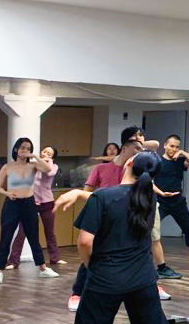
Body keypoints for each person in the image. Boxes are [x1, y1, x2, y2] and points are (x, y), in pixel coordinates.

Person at [34, 151, 189, 324]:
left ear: (129, 164)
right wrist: (80, 195)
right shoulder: (149, 198)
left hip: (106, 279)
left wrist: (91, 265)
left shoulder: (103, 198)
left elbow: (85, 241)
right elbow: (119, 196)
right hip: (142, 279)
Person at [56, 127, 169, 311]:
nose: (140, 152)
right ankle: (77, 293)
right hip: (107, 217)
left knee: (141, 251)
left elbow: (152, 148)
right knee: (97, 252)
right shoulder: (102, 169)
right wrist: (78, 193)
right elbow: (94, 196)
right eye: (136, 148)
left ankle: (151, 285)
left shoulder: (138, 172)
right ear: (125, 148)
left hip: (131, 217)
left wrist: (138, 144)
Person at [0, 138, 59, 285]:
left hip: (29, 203)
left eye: (28, 149)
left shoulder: (33, 166)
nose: (25, 151)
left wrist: (35, 156)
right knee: (6, 237)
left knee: (33, 236)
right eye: (22, 148)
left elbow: (48, 169)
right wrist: (8, 194)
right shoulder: (7, 167)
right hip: (12, 204)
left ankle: (42, 268)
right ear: (16, 149)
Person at [6, 145, 64, 268]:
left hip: (47, 202)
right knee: (22, 232)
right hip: (31, 202)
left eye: (49, 153)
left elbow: (49, 171)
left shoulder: (53, 166)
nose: (45, 153)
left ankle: (55, 258)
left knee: (49, 232)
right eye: (44, 151)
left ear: (53, 157)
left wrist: (46, 160)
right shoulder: (33, 165)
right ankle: (13, 261)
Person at [156, 135, 189, 257]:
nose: (173, 149)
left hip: (178, 202)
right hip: (160, 201)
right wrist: (161, 193)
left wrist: (182, 152)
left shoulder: (179, 161)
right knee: (151, 230)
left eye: (177, 147)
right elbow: (149, 181)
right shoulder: (157, 161)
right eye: (171, 146)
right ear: (165, 145)